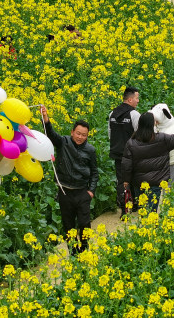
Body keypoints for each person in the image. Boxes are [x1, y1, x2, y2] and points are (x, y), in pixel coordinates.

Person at [40, 106, 98, 256]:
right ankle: (73, 252)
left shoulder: (90, 150)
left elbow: (94, 172)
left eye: (84, 135)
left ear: (87, 136)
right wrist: (45, 118)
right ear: (72, 132)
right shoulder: (63, 142)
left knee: (85, 224)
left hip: (82, 191)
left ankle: (84, 249)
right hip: (65, 191)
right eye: (78, 133)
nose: (80, 137)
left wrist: (91, 191)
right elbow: (51, 134)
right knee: (68, 225)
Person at [121, 112, 174, 213]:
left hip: (138, 183)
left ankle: (145, 226)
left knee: (143, 210)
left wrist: (126, 180)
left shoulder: (131, 143)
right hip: (155, 183)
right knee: (152, 210)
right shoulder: (161, 139)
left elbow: (126, 164)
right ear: (152, 124)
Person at [108, 87, 141, 217]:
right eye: (137, 98)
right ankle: (136, 203)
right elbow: (139, 135)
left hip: (117, 153)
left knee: (121, 180)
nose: (138, 101)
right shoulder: (134, 115)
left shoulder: (112, 114)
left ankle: (124, 208)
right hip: (132, 153)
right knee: (135, 178)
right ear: (130, 99)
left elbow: (110, 134)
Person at [149, 103, 174, 186]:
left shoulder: (164, 133)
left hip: (173, 162)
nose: (155, 122)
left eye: (156, 120)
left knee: (168, 187)